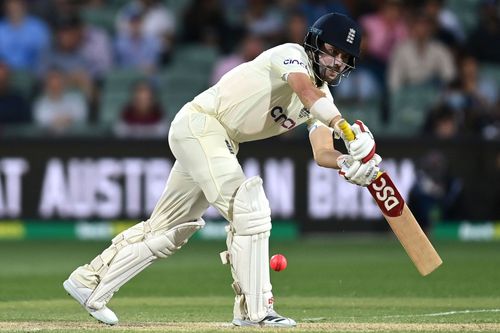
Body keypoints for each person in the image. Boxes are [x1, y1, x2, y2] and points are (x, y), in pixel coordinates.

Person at [63, 13, 382, 327]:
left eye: (344, 57)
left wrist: (346, 162)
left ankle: (89, 281)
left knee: (167, 231)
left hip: (216, 139)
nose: (337, 61)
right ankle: (256, 311)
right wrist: (347, 130)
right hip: (203, 124)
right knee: (250, 208)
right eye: (332, 50)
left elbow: (323, 150)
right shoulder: (291, 56)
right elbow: (305, 92)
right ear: (314, 43)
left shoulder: (323, 99)